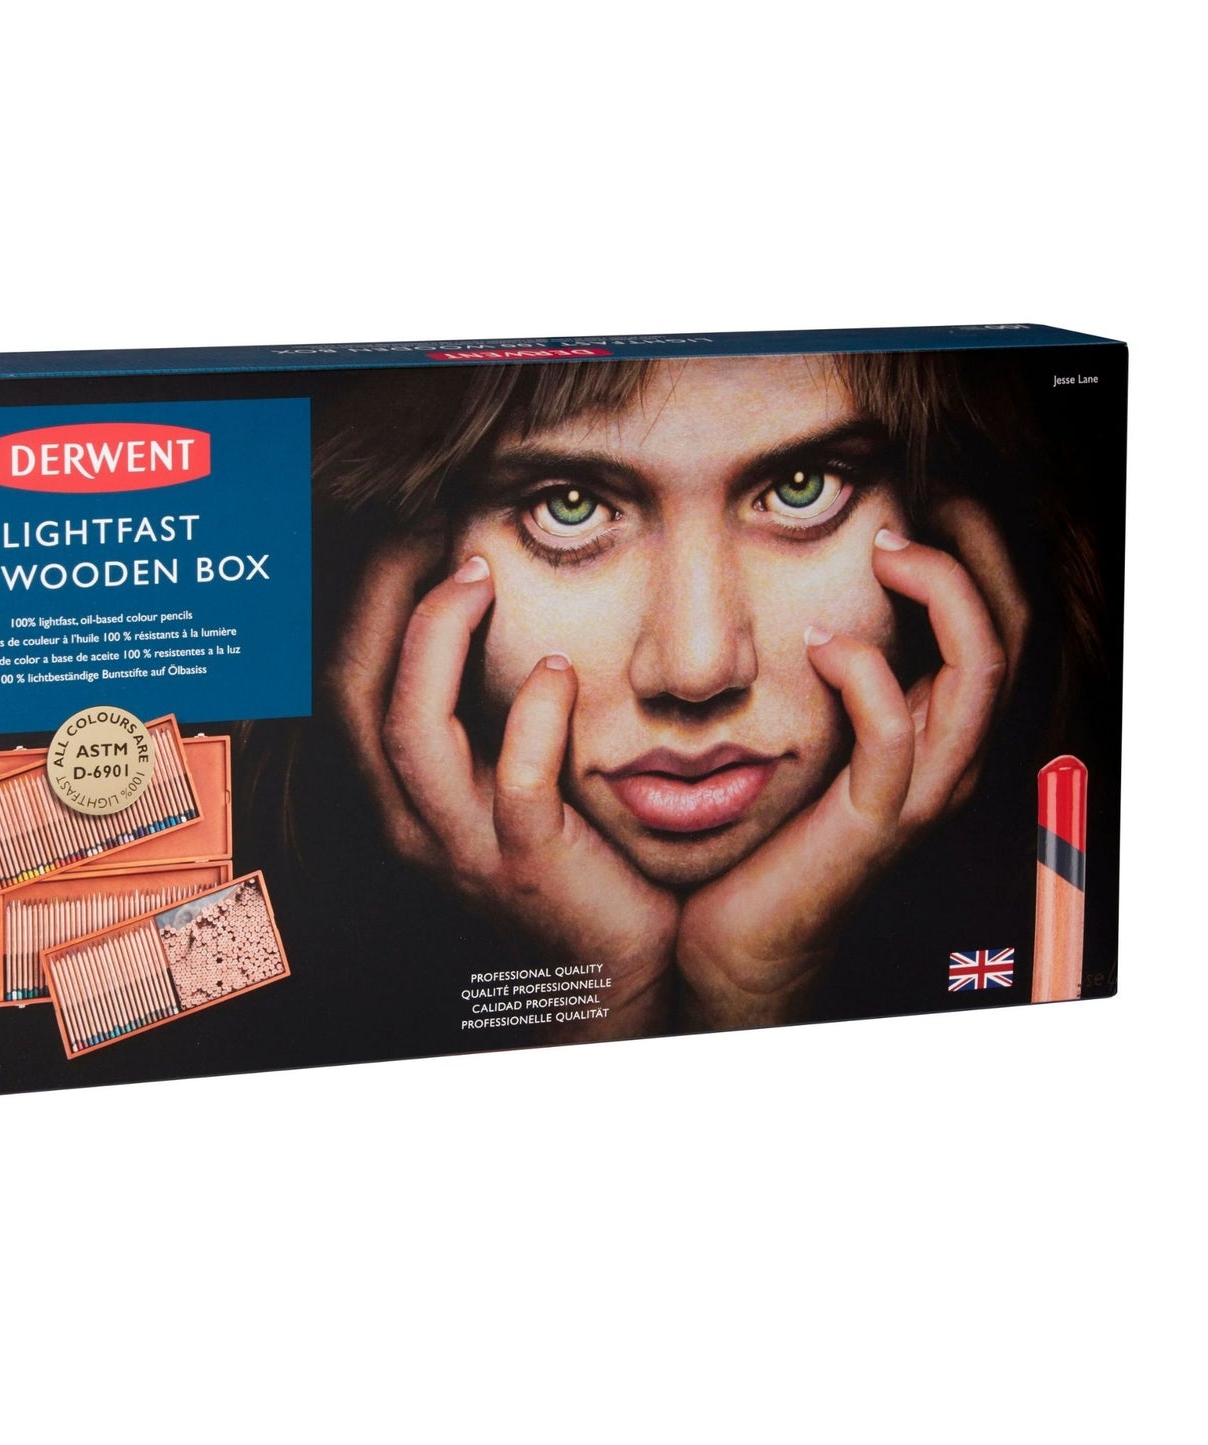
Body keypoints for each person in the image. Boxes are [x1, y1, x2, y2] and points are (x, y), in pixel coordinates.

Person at [239, 351, 1101, 1048]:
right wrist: (600, 998)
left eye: (803, 486)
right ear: (407, 573)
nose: (694, 668)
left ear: (945, 540)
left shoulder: (1062, 928)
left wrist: (754, 988)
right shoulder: (249, 985)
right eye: (567, 506)